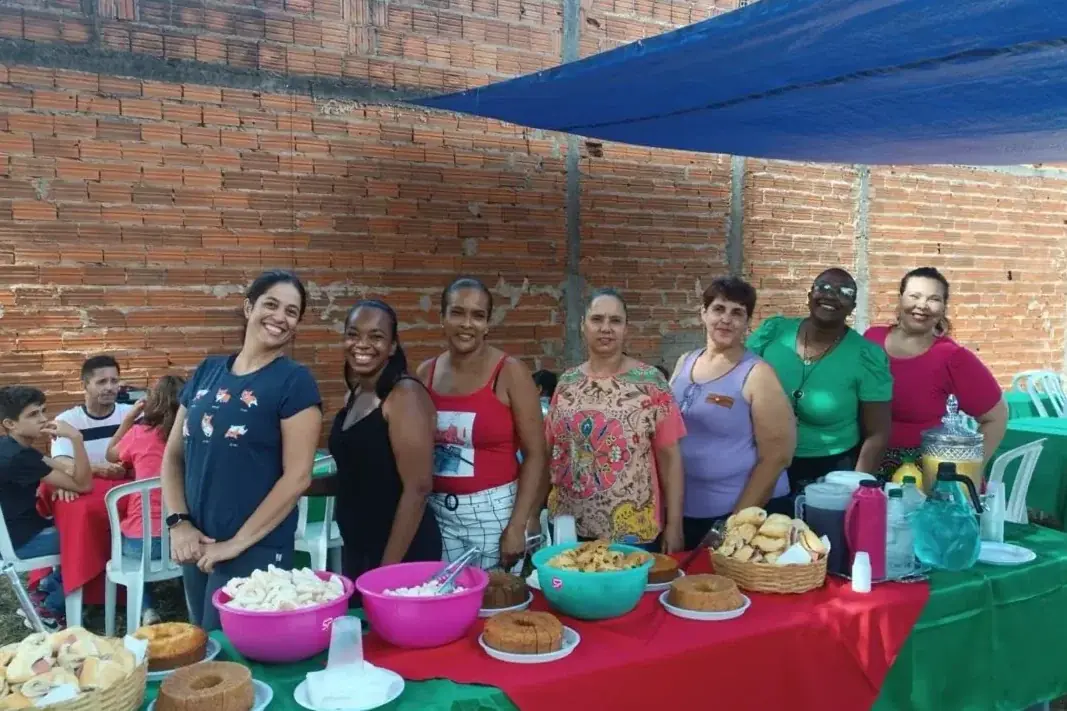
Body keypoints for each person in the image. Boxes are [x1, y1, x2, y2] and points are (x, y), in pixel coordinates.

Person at [160, 270, 323, 630]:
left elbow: (297, 477)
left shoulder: (294, 383)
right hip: (197, 544)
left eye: (292, 312)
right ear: (249, 307)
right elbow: (173, 456)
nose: (280, 317)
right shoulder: (207, 371)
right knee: (202, 644)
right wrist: (179, 523)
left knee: (233, 658)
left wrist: (235, 544)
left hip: (255, 549)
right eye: (271, 304)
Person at [308, 300, 441, 595]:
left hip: (399, 553)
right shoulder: (355, 394)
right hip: (359, 547)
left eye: (376, 336)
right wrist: (300, 485)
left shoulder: (404, 395)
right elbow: (357, 475)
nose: (362, 344)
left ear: (392, 346)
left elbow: (418, 489)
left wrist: (384, 573)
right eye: (353, 334)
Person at [417, 277, 547, 571]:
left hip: (494, 515)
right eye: (457, 312)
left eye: (478, 316)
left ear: (488, 324)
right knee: (445, 604)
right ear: (442, 318)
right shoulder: (426, 373)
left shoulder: (510, 373)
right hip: (438, 513)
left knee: (494, 604)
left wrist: (519, 524)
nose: (467, 324)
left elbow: (537, 454)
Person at [545, 288, 685, 552]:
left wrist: (675, 524)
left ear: (626, 329)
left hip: (634, 530)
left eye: (615, 321)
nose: (606, 328)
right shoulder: (567, 383)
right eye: (597, 319)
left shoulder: (651, 382)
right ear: (582, 326)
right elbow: (548, 451)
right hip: (569, 527)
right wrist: (532, 514)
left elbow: (670, 457)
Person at [670, 277, 796, 550]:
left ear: (747, 322)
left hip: (742, 516)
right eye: (719, 309)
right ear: (703, 314)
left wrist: (734, 525)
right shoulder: (684, 361)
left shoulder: (757, 374)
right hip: (688, 512)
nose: (726, 319)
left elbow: (777, 456)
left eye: (737, 312)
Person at [747, 269, 892, 493]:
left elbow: (877, 434)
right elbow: (736, 376)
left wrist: (855, 489)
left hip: (829, 474)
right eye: (822, 287)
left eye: (844, 291)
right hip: (760, 459)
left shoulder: (866, 356)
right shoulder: (774, 333)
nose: (830, 295)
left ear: (852, 307)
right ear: (809, 296)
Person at [864, 267, 1007, 477]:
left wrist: (966, 472)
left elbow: (996, 418)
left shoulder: (953, 358)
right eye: (914, 296)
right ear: (900, 299)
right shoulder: (870, 339)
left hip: (922, 475)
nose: (922, 305)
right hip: (863, 464)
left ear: (943, 308)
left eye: (933, 299)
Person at [0, 385, 92, 629]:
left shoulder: (11, 447)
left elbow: (63, 469)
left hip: (16, 532)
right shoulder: (19, 457)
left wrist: (79, 471)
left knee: (84, 529)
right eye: (33, 415)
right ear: (10, 424)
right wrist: (76, 438)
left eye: (43, 411)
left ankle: (44, 589)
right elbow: (83, 485)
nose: (43, 419)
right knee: (98, 538)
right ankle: (48, 607)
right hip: (21, 541)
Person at [104, 374, 186, 626]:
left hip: (140, 544)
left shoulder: (140, 433)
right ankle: (188, 600)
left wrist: (128, 420)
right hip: (181, 538)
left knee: (125, 538)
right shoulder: (192, 437)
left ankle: (146, 608)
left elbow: (110, 455)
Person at [50, 354, 132, 496]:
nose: (110, 387)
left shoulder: (132, 415)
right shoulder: (67, 421)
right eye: (101, 382)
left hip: (128, 487)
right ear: (84, 385)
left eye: (114, 381)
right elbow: (61, 461)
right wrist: (97, 469)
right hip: (89, 489)